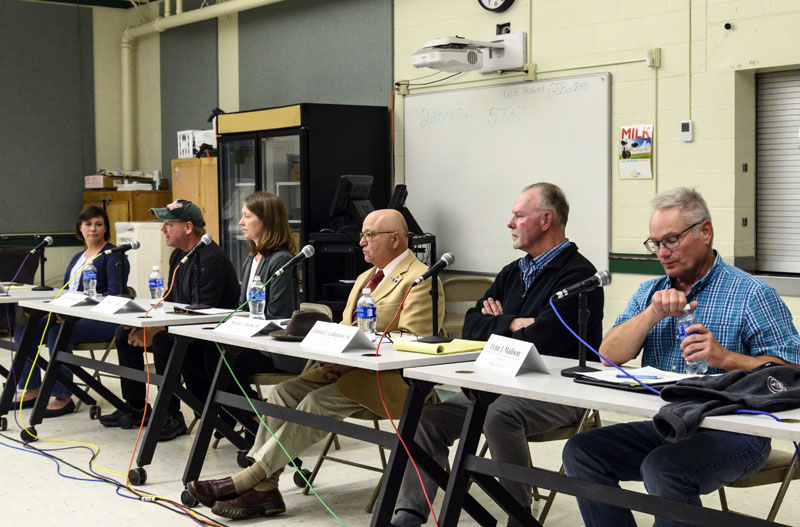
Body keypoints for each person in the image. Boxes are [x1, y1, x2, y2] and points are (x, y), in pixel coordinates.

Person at [562, 187, 800, 527]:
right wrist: (651, 314)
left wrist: (726, 358)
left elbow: (793, 371)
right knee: (581, 451)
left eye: (671, 240)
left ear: (705, 232)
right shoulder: (651, 291)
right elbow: (608, 355)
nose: (662, 252)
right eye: (655, 243)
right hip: (670, 424)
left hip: (737, 432)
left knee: (663, 467)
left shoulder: (751, 294)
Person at [186, 208, 445, 520]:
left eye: (369, 235)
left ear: (395, 239)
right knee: (283, 393)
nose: (361, 242)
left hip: (390, 385)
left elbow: (412, 343)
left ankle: (248, 480)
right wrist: (332, 354)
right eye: (361, 235)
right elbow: (349, 328)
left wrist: (350, 362)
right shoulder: (366, 277)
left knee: (315, 403)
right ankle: (266, 487)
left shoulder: (421, 280)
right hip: (347, 373)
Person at [390, 183, 604, 527]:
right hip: (497, 384)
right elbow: (471, 326)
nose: (509, 223)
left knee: (498, 415)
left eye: (519, 215)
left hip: (557, 393)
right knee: (428, 420)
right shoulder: (513, 272)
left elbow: (545, 339)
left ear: (546, 220)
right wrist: (514, 322)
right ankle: (408, 514)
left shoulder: (580, 276)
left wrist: (499, 323)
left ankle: (518, 515)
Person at [98, 199, 239, 441]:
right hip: (186, 330)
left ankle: (171, 416)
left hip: (209, 337)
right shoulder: (178, 256)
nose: (162, 229)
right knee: (124, 334)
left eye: (168, 224)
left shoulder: (210, 259)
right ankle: (136, 408)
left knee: (163, 341)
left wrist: (156, 330)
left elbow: (201, 314)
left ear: (187, 227)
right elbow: (170, 303)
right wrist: (144, 322)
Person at [13, 205, 129, 418]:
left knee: (57, 333)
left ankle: (63, 395)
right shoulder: (78, 257)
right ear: (80, 228)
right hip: (68, 315)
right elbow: (68, 290)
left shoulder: (114, 256)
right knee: (23, 331)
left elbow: (114, 296)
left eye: (98, 224)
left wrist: (74, 312)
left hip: (101, 319)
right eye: (88, 224)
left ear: (105, 228)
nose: (93, 229)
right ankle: (31, 389)